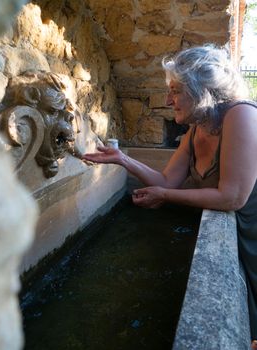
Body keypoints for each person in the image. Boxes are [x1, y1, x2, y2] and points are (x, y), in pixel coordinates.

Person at [82, 44, 257, 348]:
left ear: (201, 89)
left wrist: (163, 195)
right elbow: (167, 181)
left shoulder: (241, 114)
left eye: (176, 90)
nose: (167, 100)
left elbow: (232, 197)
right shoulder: (196, 129)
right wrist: (123, 159)